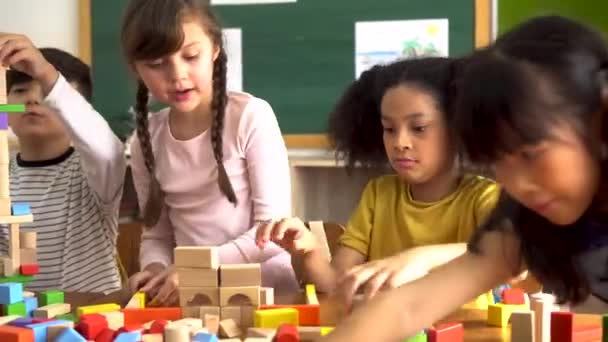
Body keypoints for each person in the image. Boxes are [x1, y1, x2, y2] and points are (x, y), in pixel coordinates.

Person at [321, 16, 608, 341]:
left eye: (531, 154)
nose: (519, 185)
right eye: (498, 161)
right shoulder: (522, 217)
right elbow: (408, 307)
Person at [257, 58, 498, 302]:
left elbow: (505, 254)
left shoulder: (483, 197)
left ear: (457, 128)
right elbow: (336, 283)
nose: (399, 142)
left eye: (419, 127)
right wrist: (309, 251)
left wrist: (418, 258)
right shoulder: (379, 194)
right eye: (389, 129)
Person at [122, 0, 298, 306]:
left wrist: (196, 267)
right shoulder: (145, 140)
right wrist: (154, 270)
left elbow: (272, 234)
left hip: (268, 291)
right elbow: (157, 236)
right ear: (136, 68)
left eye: (191, 56)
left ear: (215, 49)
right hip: (194, 296)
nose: (177, 75)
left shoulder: (250, 116)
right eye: (155, 63)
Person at [0, 36, 125, 293]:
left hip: (92, 317)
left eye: (46, 92)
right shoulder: (4, 177)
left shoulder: (95, 173)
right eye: (21, 90)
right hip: (20, 324)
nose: (32, 100)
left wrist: (46, 72)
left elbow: (107, 149)